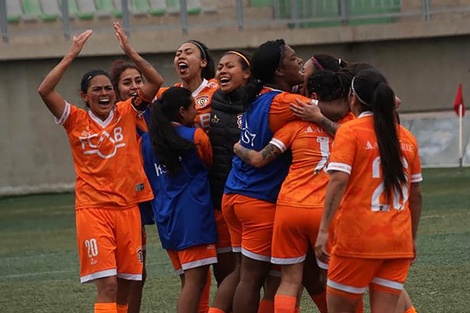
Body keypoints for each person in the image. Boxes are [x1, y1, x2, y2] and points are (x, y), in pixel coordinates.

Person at [37, 22, 164, 313]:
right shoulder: (75, 119)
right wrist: (71, 55)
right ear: (84, 96)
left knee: (125, 284)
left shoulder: (127, 111)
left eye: (108, 88)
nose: (104, 93)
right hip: (93, 210)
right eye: (97, 90)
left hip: (128, 209)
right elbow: (45, 90)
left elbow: (155, 82)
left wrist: (130, 50)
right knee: (107, 285)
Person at [232, 69, 355, 313]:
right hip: (326, 211)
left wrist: (237, 148)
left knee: (288, 280)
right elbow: (356, 140)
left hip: (289, 210)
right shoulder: (351, 125)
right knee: (338, 280)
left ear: (313, 96)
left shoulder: (294, 125)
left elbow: (258, 159)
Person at [222, 39, 330, 313]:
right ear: (279, 70)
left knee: (246, 274)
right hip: (259, 199)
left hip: (234, 193)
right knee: (255, 278)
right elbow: (330, 107)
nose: (298, 62)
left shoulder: (258, 95)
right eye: (294, 59)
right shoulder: (285, 102)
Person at [314, 68, 423, 313]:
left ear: (353, 99)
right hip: (398, 241)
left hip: (358, 240)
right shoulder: (407, 138)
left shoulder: (350, 132)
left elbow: (339, 180)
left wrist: (323, 231)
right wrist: (412, 238)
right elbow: (415, 194)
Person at [140, 87, 218, 313]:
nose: (197, 111)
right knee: (195, 283)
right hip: (193, 218)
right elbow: (209, 162)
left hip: (166, 218)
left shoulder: (145, 142)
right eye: (193, 107)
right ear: (182, 111)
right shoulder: (196, 136)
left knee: (189, 281)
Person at [207, 50, 251, 313]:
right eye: (219, 66)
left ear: (247, 73)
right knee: (241, 270)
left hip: (252, 194)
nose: (222, 70)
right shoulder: (213, 101)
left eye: (229, 66)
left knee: (246, 271)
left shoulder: (261, 100)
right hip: (227, 197)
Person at [109, 59, 154, 313]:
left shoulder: (149, 112)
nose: (135, 86)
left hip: (145, 194)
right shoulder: (113, 117)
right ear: (115, 89)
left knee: (138, 270)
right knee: (119, 273)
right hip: (118, 201)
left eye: (138, 81)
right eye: (127, 82)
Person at [157, 40, 218, 131]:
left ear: (203, 62)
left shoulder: (216, 89)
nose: (181, 56)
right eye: (178, 54)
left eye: (188, 53)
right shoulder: (167, 95)